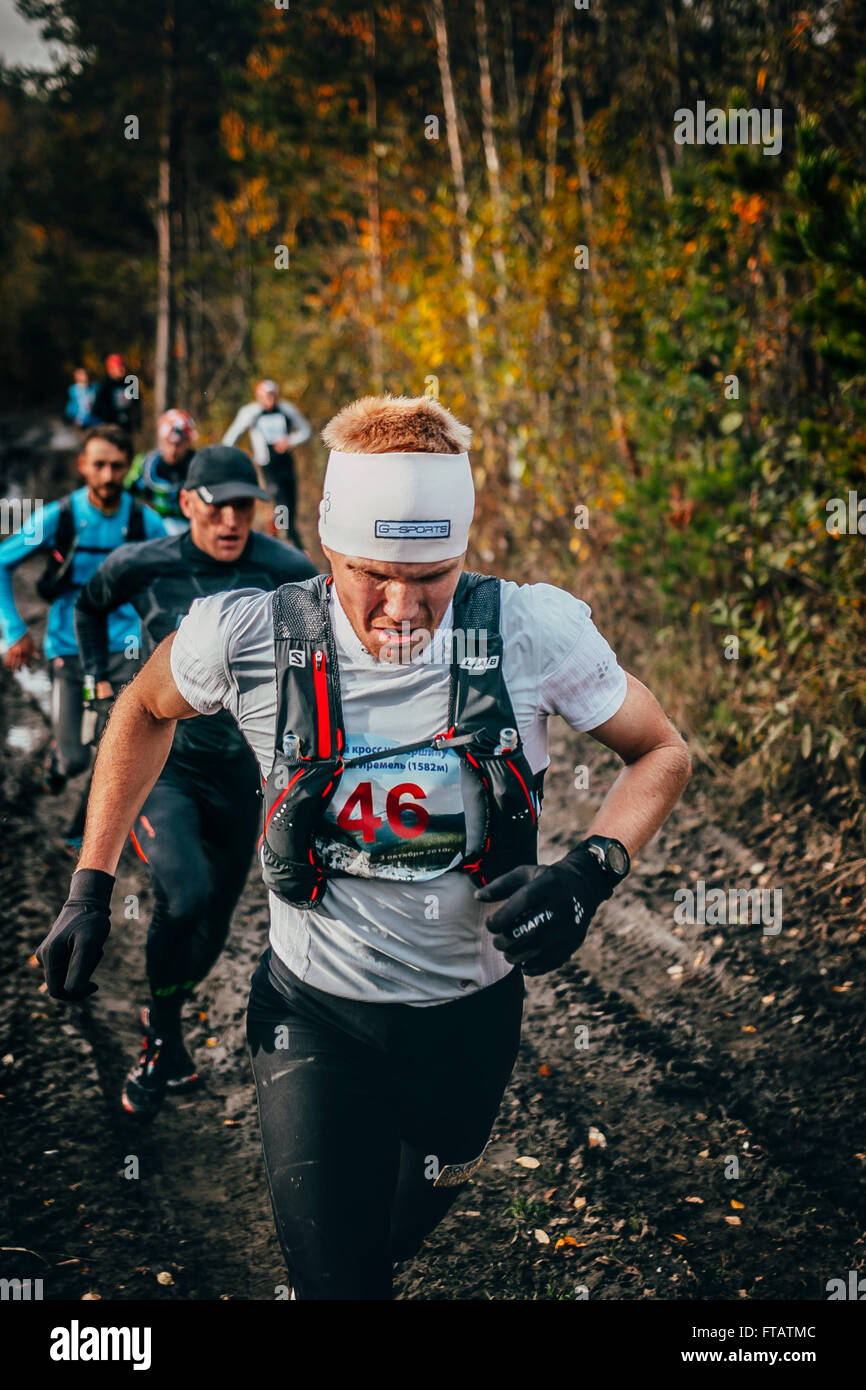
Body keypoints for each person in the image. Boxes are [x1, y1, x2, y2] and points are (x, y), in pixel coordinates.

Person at [37, 395, 691, 1299]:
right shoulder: (254, 632)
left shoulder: (528, 629)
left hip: (472, 1022)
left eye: (432, 575)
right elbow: (143, 708)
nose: (400, 608)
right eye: (371, 574)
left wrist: (591, 870)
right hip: (316, 1015)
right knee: (341, 1283)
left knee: (398, 1231)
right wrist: (91, 883)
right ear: (328, 551)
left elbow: (661, 750)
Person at [70, 445, 317, 1116]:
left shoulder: (286, 569)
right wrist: (99, 687)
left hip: (250, 775)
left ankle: (163, 1020)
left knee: (214, 919)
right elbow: (88, 606)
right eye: (218, 505)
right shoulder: (144, 562)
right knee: (184, 892)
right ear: (186, 504)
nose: (233, 519)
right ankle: (161, 1043)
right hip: (168, 766)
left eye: (245, 505)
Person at [0, 425, 165, 844]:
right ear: (83, 466)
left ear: (128, 468)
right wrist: (14, 631)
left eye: (116, 466)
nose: (108, 475)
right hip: (69, 650)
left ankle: (86, 833)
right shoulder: (61, 516)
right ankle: (57, 766)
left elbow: (178, 566)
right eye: (99, 465)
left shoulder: (143, 520)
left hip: (127, 651)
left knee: (115, 751)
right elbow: (2, 562)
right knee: (75, 756)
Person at [222, 379, 311, 548]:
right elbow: (233, 434)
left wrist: (289, 441)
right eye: (266, 396)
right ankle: (282, 534)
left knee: (290, 501)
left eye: (272, 396)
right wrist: (225, 456)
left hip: (286, 462)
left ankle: (288, 532)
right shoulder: (251, 412)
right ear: (258, 396)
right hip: (267, 464)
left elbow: (305, 430)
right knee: (279, 498)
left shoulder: (286, 409)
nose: (269, 400)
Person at [126, 408, 198, 533]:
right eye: (168, 443)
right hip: (154, 526)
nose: (173, 449)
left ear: (188, 442)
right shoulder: (145, 465)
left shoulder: (199, 465)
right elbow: (126, 492)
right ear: (160, 440)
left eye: (179, 444)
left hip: (191, 526)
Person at [93, 354, 141, 437]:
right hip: (111, 427)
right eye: (119, 367)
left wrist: (136, 422)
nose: (122, 369)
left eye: (123, 366)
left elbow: (136, 405)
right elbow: (98, 407)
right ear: (111, 369)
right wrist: (109, 422)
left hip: (127, 426)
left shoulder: (131, 383)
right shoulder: (105, 386)